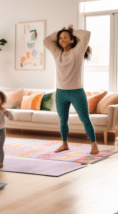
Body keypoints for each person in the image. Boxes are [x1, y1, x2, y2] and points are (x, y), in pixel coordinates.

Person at [43, 25, 99, 155]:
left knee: (85, 119)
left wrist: (70, 31)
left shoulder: (78, 52)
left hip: (76, 92)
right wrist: (61, 32)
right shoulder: (57, 53)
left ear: (72, 40)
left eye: (65, 37)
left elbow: (86, 34)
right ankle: (64, 144)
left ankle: (94, 144)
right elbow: (46, 40)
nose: (62, 39)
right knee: (63, 120)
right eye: (60, 38)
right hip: (61, 93)